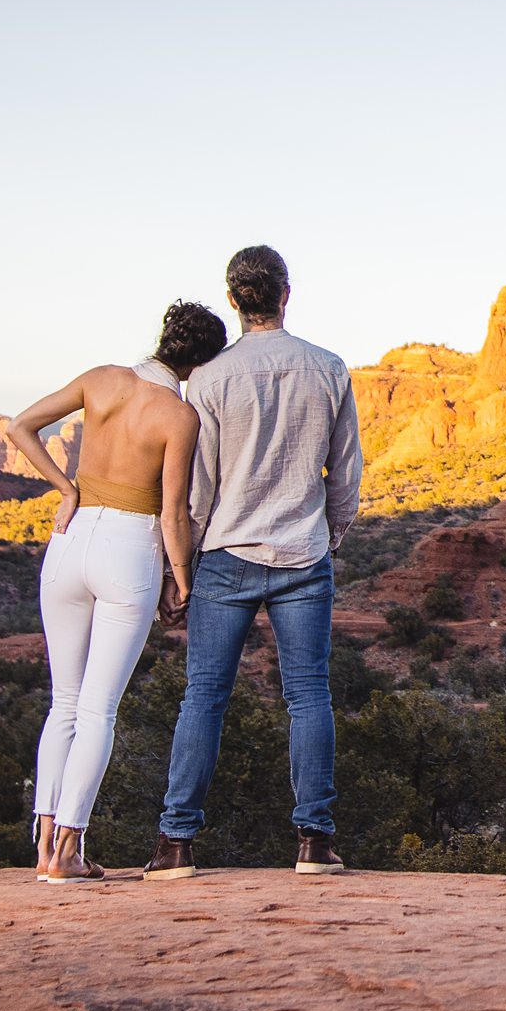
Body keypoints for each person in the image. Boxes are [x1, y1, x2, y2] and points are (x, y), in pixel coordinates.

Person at [146, 244, 363, 880]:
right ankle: (314, 843)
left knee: (204, 698)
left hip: (226, 553)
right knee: (308, 696)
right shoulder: (329, 367)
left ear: (235, 299)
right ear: (285, 294)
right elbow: (344, 471)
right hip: (303, 552)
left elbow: (198, 490)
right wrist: (330, 534)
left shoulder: (209, 379)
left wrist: (176, 566)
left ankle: (176, 844)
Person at [2, 300, 230, 883]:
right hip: (130, 547)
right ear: (199, 363)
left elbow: (19, 426)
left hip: (70, 539)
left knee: (65, 706)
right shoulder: (179, 416)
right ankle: (69, 855)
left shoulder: (101, 379)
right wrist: (182, 583)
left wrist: (64, 487)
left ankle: (44, 846)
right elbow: (174, 515)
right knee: (99, 710)